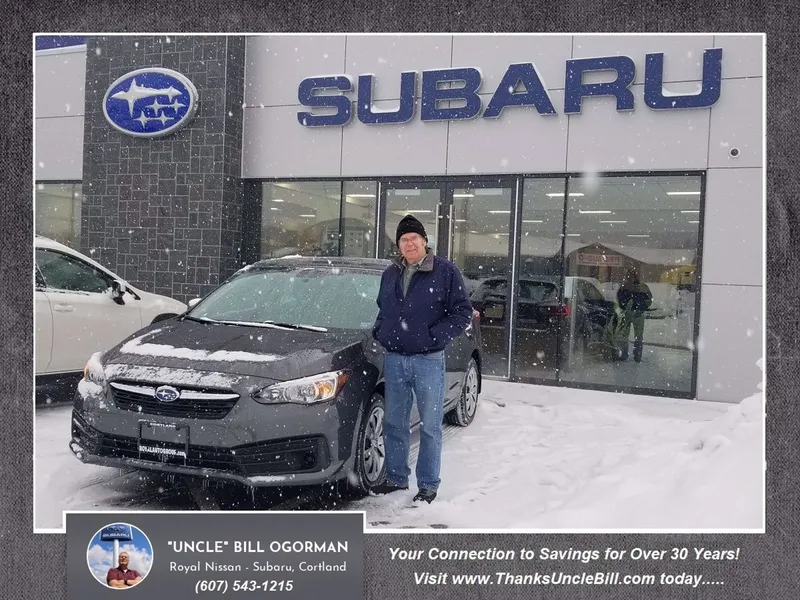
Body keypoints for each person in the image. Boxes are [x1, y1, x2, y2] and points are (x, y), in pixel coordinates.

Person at [371, 215, 473, 503]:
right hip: (395, 358)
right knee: (394, 423)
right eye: (404, 239)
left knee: (429, 425)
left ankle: (428, 484)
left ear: (425, 241)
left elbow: (462, 312)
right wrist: (382, 332)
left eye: (414, 238)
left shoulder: (445, 272)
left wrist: (434, 336)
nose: (410, 243)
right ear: (399, 246)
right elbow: (383, 309)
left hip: (428, 359)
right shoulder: (390, 273)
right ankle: (396, 477)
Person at [616, 268, 652, 363]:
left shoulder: (642, 287)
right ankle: (627, 355)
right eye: (629, 276)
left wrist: (640, 307)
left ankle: (636, 355)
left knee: (637, 336)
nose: (630, 277)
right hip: (628, 314)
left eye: (631, 276)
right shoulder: (625, 287)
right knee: (625, 335)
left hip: (637, 314)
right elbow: (619, 299)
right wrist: (625, 306)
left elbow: (649, 300)